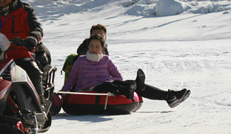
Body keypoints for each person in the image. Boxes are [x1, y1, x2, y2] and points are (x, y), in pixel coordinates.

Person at [61, 35, 190, 108]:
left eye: (97, 47)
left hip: (106, 86)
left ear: (102, 49)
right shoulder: (81, 60)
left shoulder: (106, 60)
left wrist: (108, 80)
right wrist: (64, 93)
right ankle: (134, 87)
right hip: (88, 89)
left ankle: (168, 96)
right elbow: (72, 79)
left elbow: (118, 76)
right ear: (88, 47)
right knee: (114, 86)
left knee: (124, 83)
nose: (94, 49)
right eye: (91, 46)